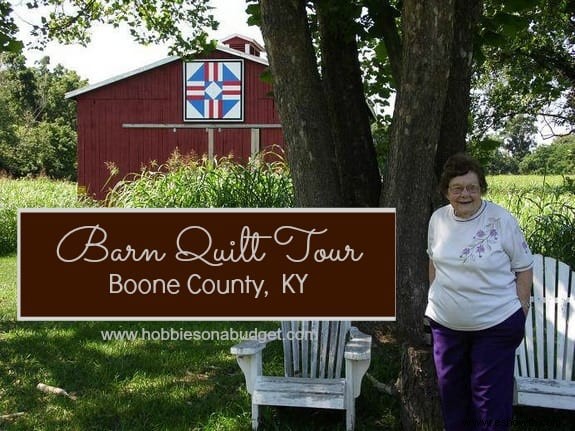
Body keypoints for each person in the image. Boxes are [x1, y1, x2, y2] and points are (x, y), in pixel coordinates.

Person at [425, 153, 534, 431]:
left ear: (481, 189)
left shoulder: (501, 220)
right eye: (457, 188)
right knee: (452, 395)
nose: (465, 194)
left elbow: (524, 267)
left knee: (490, 402)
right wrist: (434, 298)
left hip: (495, 326)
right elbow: (433, 261)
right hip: (446, 327)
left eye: (472, 187)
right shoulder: (438, 219)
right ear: (446, 191)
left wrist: (520, 311)